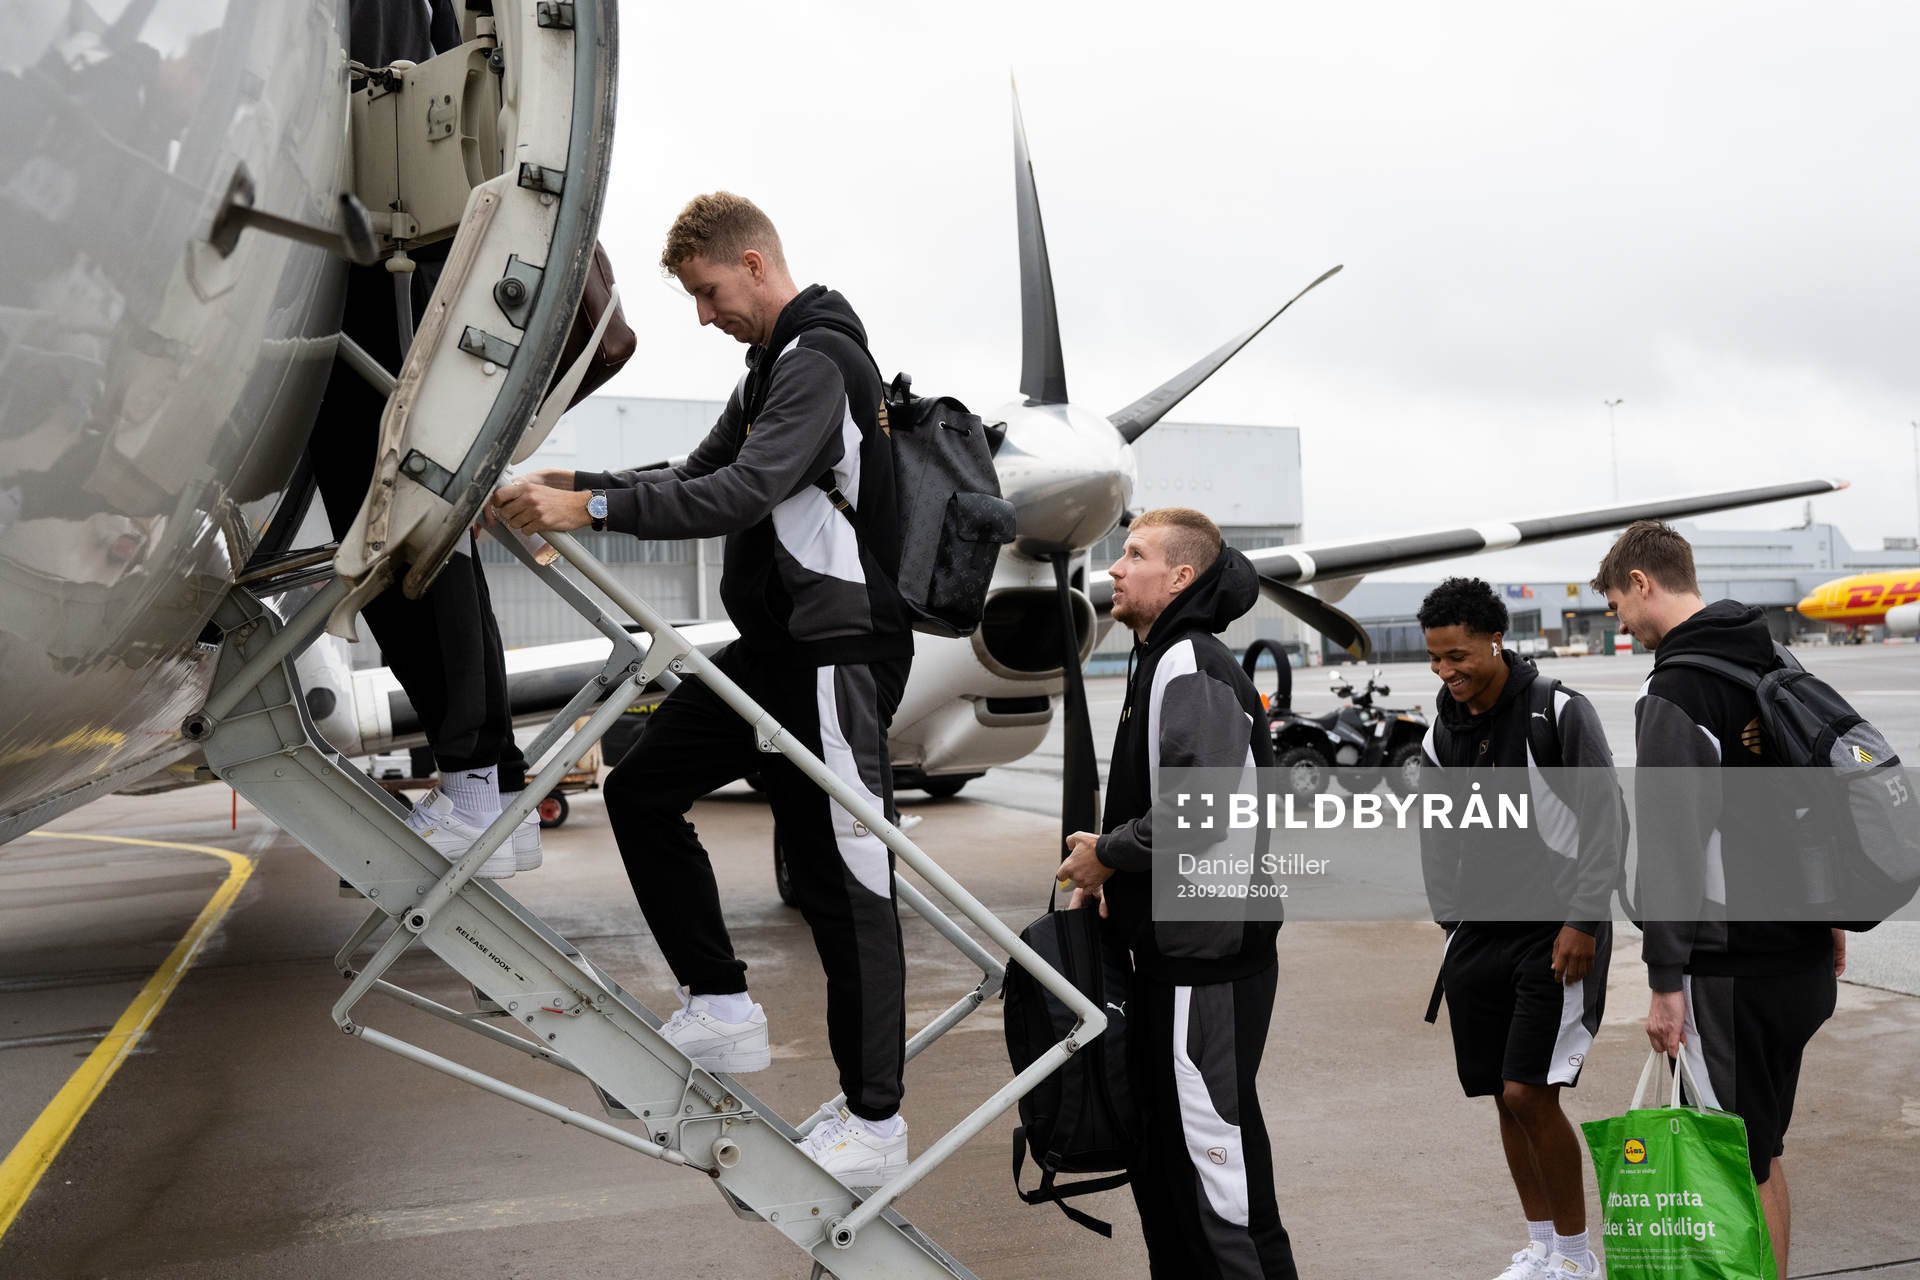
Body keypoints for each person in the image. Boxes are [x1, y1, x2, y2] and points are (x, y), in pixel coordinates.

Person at [491, 193, 914, 1185]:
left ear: (755, 264)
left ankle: (876, 1122)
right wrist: (572, 481)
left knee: (847, 884)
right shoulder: (772, 366)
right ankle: (721, 1003)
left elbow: (741, 491)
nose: (703, 313)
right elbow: (694, 470)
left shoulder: (819, 361)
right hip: (775, 650)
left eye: (709, 291)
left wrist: (591, 510)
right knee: (641, 786)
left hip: (837, 653)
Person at [308, 0, 537, 878]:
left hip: (382, 264)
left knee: (408, 538)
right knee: (421, 540)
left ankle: (476, 782)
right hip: (404, 259)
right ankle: (492, 784)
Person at [1593, 520, 1842, 1280]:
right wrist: (1832, 916)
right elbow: (1816, 804)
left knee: (1738, 1160)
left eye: (1617, 605)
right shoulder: (1775, 660)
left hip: (1731, 969)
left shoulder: (1677, 688)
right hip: (1801, 958)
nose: (1621, 624)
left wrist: (1665, 981)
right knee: (1761, 1151)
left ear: (1642, 583)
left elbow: (1673, 846)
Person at [1055, 507, 1299, 1279]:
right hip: (1179, 957)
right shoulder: (1159, 658)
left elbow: (1199, 812)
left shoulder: (1188, 663)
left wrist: (1108, 857)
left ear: (1181, 577)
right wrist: (1113, 874)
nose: (1115, 568)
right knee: (1175, 1165)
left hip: (1206, 961)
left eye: (1134, 554)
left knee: (1214, 1174)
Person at [1416, 578, 1624, 1280]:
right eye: (1435, 659)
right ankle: (1541, 1248)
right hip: (1478, 934)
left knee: (1528, 1092)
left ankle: (1577, 1257)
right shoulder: (1441, 731)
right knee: (1500, 1096)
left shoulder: (1557, 711)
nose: (1446, 671)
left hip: (1555, 933)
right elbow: (1437, 834)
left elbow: (1605, 822)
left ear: (1494, 640)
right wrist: (1450, 921)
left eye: (1457, 656)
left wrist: (1584, 919)